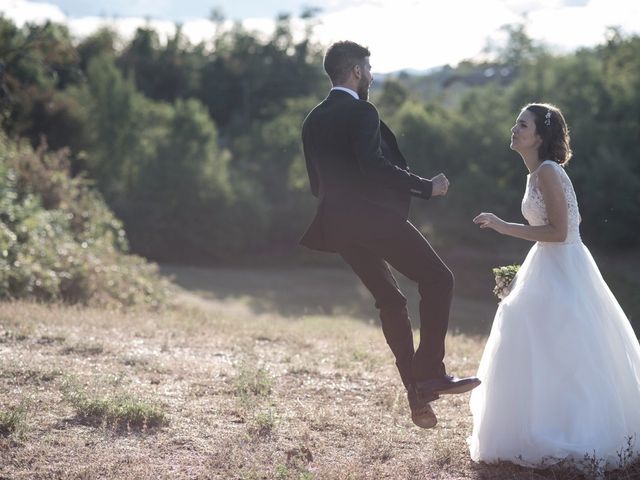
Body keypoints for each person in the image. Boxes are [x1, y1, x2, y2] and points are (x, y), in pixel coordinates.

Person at [299, 40, 480, 429]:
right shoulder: (362, 110)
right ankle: (430, 372)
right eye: (369, 67)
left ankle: (418, 396)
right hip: (374, 220)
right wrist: (426, 187)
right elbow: (374, 166)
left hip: (336, 225)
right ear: (357, 72)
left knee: (392, 301)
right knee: (438, 279)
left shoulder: (312, 119)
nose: (373, 74)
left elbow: (317, 183)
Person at [470, 103, 640, 470]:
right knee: (533, 338)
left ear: (540, 137)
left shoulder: (547, 172)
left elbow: (561, 232)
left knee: (566, 346)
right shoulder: (537, 175)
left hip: (563, 266)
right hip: (548, 262)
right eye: (516, 122)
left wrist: (502, 225)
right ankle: (536, 425)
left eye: (523, 125)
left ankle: (574, 432)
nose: (514, 129)